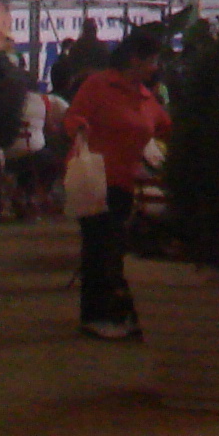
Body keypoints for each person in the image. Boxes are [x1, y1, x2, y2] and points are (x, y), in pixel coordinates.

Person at [63, 27, 167, 340]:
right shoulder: (99, 85)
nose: (155, 67)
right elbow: (73, 117)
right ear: (134, 59)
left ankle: (118, 311)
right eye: (151, 60)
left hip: (129, 182)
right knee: (99, 248)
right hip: (98, 181)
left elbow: (165, 127)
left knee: (118, 248)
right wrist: (80, 128)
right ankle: (95, 315)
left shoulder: (146, 97)